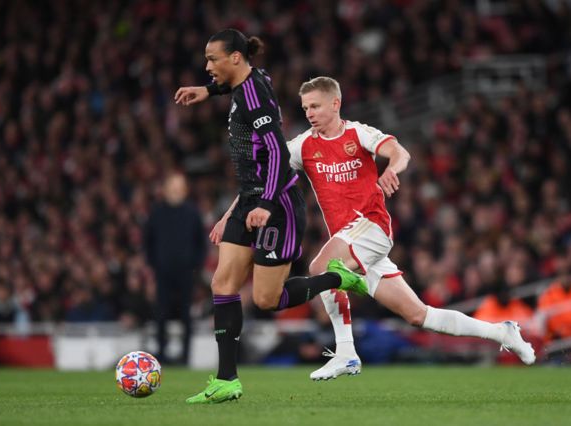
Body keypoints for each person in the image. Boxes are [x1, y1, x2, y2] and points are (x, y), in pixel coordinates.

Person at [283, 76, 536, 380]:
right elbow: (271, 166)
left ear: (335, 104)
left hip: (371, 228)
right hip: (352, 241)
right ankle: (502, 332)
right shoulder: (303, 146)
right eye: (305, 107)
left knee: (322, 266)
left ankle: (346, 353)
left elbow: (399, 152)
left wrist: (391, 169)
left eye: (315, 106)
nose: (309, 113)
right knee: (419, 315)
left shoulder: (358, 133)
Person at [174, 30, 367, 403]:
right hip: (249, 199)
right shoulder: (252, 78)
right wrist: (208, 90)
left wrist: (265, 202)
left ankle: (334, 277)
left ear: (234, 59)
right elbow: (247, 81)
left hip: (276, 205)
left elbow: (278, 152)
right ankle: (227, 379)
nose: (207, 66)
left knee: (266, 299)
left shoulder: (255, 97)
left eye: (212, 59)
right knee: (223, 284)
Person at [143, 172, 207, 365]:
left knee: (186, 316)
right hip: (162, 273)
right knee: (161, 314)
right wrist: (154, 265)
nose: (176, 191)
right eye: (173, 186)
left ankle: (185, 356)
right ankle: (161, 354)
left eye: (179, 187)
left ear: (185, 190)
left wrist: (195, 266)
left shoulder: (192, 212)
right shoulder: (157, 212)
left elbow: (200, 243)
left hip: (186, 273)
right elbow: (148, 242)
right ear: (165, 189)